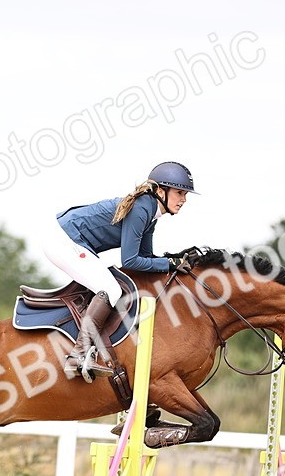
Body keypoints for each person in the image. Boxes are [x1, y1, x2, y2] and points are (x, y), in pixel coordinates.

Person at [43, 161, 197, 382]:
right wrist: (170, 264)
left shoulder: (151, 213)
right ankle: (77, 356)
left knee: (108, 286)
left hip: (70, 240)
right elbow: (131, 261)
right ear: (161, 191)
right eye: (180, 193)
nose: (184, 200)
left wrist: (173, 260)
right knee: (110, 289)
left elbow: (147, 258)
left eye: (186, 195)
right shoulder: (142, 209)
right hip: (62, 240)